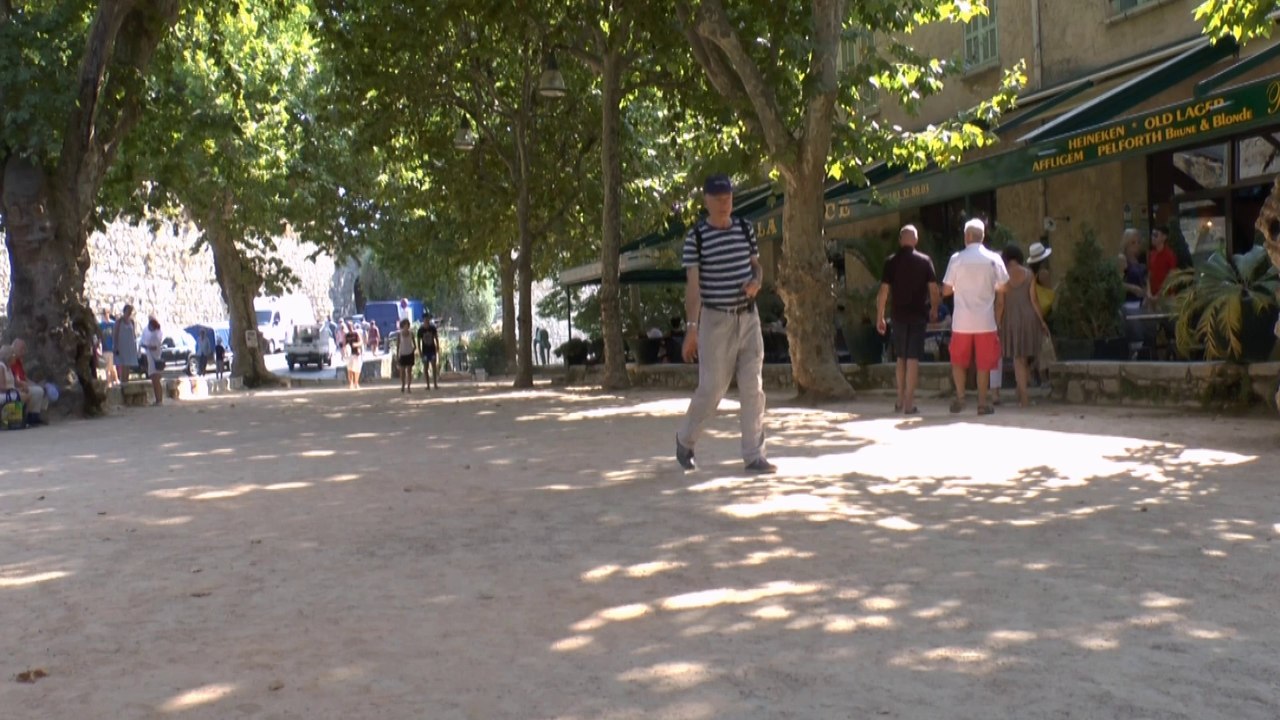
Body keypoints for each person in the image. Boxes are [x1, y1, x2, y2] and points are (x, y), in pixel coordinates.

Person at [674, 173, 775, 474]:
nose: (724, 203)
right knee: (712, 389)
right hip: (715, 320)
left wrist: (757, 282)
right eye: (718, 199)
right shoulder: (697, 237)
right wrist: (692, 328)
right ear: (706, 201)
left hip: (749, 317)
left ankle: (754, 455)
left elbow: (757, 267)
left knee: (753, 387)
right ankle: (685, 441)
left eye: (728, 198)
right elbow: (693, 287)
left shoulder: (745, 228)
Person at [942, 219, 1009, 415]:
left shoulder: (956, 259)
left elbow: (946, 290)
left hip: (961, 321)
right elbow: (1004, 286)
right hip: (985, 321)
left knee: (958, 361)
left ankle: (961, 397)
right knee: (984, 364)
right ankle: (982, 403)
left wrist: (959, 286)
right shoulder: (994, 259)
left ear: (967, 236)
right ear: (983, 236)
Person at [876, 224, 941, 415]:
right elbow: (933, 289)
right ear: (916, 240)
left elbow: (883, 291)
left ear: (900, 241)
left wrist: (880, 316)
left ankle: (899, 399)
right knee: (913, 359)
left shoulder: (891, 262)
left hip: (898, 316)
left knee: (900, 358)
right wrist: (934, 309)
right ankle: (909, 403)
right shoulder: (925, 261)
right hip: (918, 315)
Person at [997, 245, 1050, 407]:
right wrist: (1042, 321)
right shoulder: (1029, 274)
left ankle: (1024, 399)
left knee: (1018, 359)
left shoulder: (1002, 277)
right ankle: (1021, 393)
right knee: (1025, 357)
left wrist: (997, 323)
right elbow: (1034, 300)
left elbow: (1000, 303)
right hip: (1029, 319)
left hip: (1011, 320)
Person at [3, 340, 49, 425]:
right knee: (36, 391)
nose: (24, 352)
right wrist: (20, 387)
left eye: (24, 349)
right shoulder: (4, 366)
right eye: (21, 349)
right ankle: (28, 417)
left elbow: (22, 378)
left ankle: (35, 415)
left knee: (42, 389)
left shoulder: (16, 362)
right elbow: (9, 383)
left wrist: (31, 384)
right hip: (12, 389)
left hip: (17, 387)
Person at [1120, 228, 1148, 312]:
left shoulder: (1140, 260)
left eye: (1138, 242)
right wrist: (1132, 288)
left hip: (1141, 303)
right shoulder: (1122, 259)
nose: (1136, 245)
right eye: (1133, 242)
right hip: (1128, 304)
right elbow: (1117, 283)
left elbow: (1144, 281)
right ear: (1126, 243)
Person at [1146, 225, 1177, 302]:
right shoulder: (1151, 254)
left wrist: (1158, 295)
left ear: (1164, 237)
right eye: (1152, 235)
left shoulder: (1169, 255)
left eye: (1156, 235)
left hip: (1166, 295)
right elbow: (1149, 274)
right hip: (1152, 295)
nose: (1153, 238)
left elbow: (1171, 277)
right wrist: (1149, 292)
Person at [140, 316, 165, 406]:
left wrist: (145, 346)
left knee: (155, 381)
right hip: (155, 358)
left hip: (153, 360)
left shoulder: (154, 335)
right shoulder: (158, 334)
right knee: (156, 381)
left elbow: (154, 347)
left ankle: (159, 400)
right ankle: (159, 399)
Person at [112, 304, 139, 384]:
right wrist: (115, 346)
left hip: (130, 346)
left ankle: (126, 382)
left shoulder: (132, 322)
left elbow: (134, 334)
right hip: (122, 345)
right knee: (123, 364)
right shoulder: (119, 322)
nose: (129, 312)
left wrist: (135, 345)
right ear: (124, 311)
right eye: (128, 311)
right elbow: (115, 334)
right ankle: (123, 383)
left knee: (128, 365)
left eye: (130, 311)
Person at [417, 314, 440, 389]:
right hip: (425, 351)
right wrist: (420, 351)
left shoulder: (432, 328)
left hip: (432, 350)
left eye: (427, 319)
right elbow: (418, 342)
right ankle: (428, 385)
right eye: (425, 319)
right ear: (423, 320)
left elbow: (436, 338)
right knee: (425, 367)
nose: (426, 320)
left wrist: (437, 346)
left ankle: (435, 384)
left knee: (434, 367)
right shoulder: (420, 330)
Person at [395, 319, 416, 393]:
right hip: (402, 354)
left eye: (407, 325)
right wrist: (397, 355)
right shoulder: (399, 334)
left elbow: (414, 344)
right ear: (402, 326)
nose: (406, 326)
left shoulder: (411, 333)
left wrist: (413, 350)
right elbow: (398, 345)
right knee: (402, 371)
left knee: (409, 371)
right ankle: (403, 384)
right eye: (405, 325)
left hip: (410, 354)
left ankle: (409, 387)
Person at [99, 308, 118, 385]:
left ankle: (116, 380)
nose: (105, 315)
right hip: (105, 348)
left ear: (108, 313)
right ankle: (109, 383)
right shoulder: (101, 325)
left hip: (112, 348)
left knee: (112, 367)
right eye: (103, 314)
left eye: (106, 313)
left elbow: (115, 336)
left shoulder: (113, 324)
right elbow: (100, 337)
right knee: (107, 368)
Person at [343, 321, 363, 389]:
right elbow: (344, 344)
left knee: (357, 369)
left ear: (352, 326)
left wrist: (356, 344)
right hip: (349, 354)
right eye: (348, 326)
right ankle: (351, 384)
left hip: (357, 353)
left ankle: (356, 383)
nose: (349, 328)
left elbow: (361, 342)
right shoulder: (346, 335)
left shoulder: (356, 333)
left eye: (350, 326)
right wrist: (344, 352)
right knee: (350, 369)